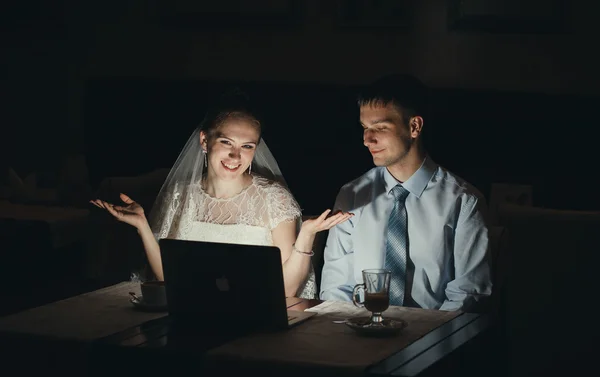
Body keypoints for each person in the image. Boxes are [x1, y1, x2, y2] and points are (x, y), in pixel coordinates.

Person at [91, 91, 352, 299]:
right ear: (205, 141)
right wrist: (142, 227)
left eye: (247, 146)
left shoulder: (275, 200)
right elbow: (166, 281)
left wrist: (306, 236)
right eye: (226, 142)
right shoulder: (178, 197)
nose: (235, 156)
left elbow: (286, 292)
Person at [320, 75, 492, 311]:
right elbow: (336, 286)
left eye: (380, 128)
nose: (367, 140)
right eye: (364, 128)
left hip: (435, 335)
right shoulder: (352, 195)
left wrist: (426, 341)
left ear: (414, 127)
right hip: (362, 334)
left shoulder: (463, 201)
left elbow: (467, 294)